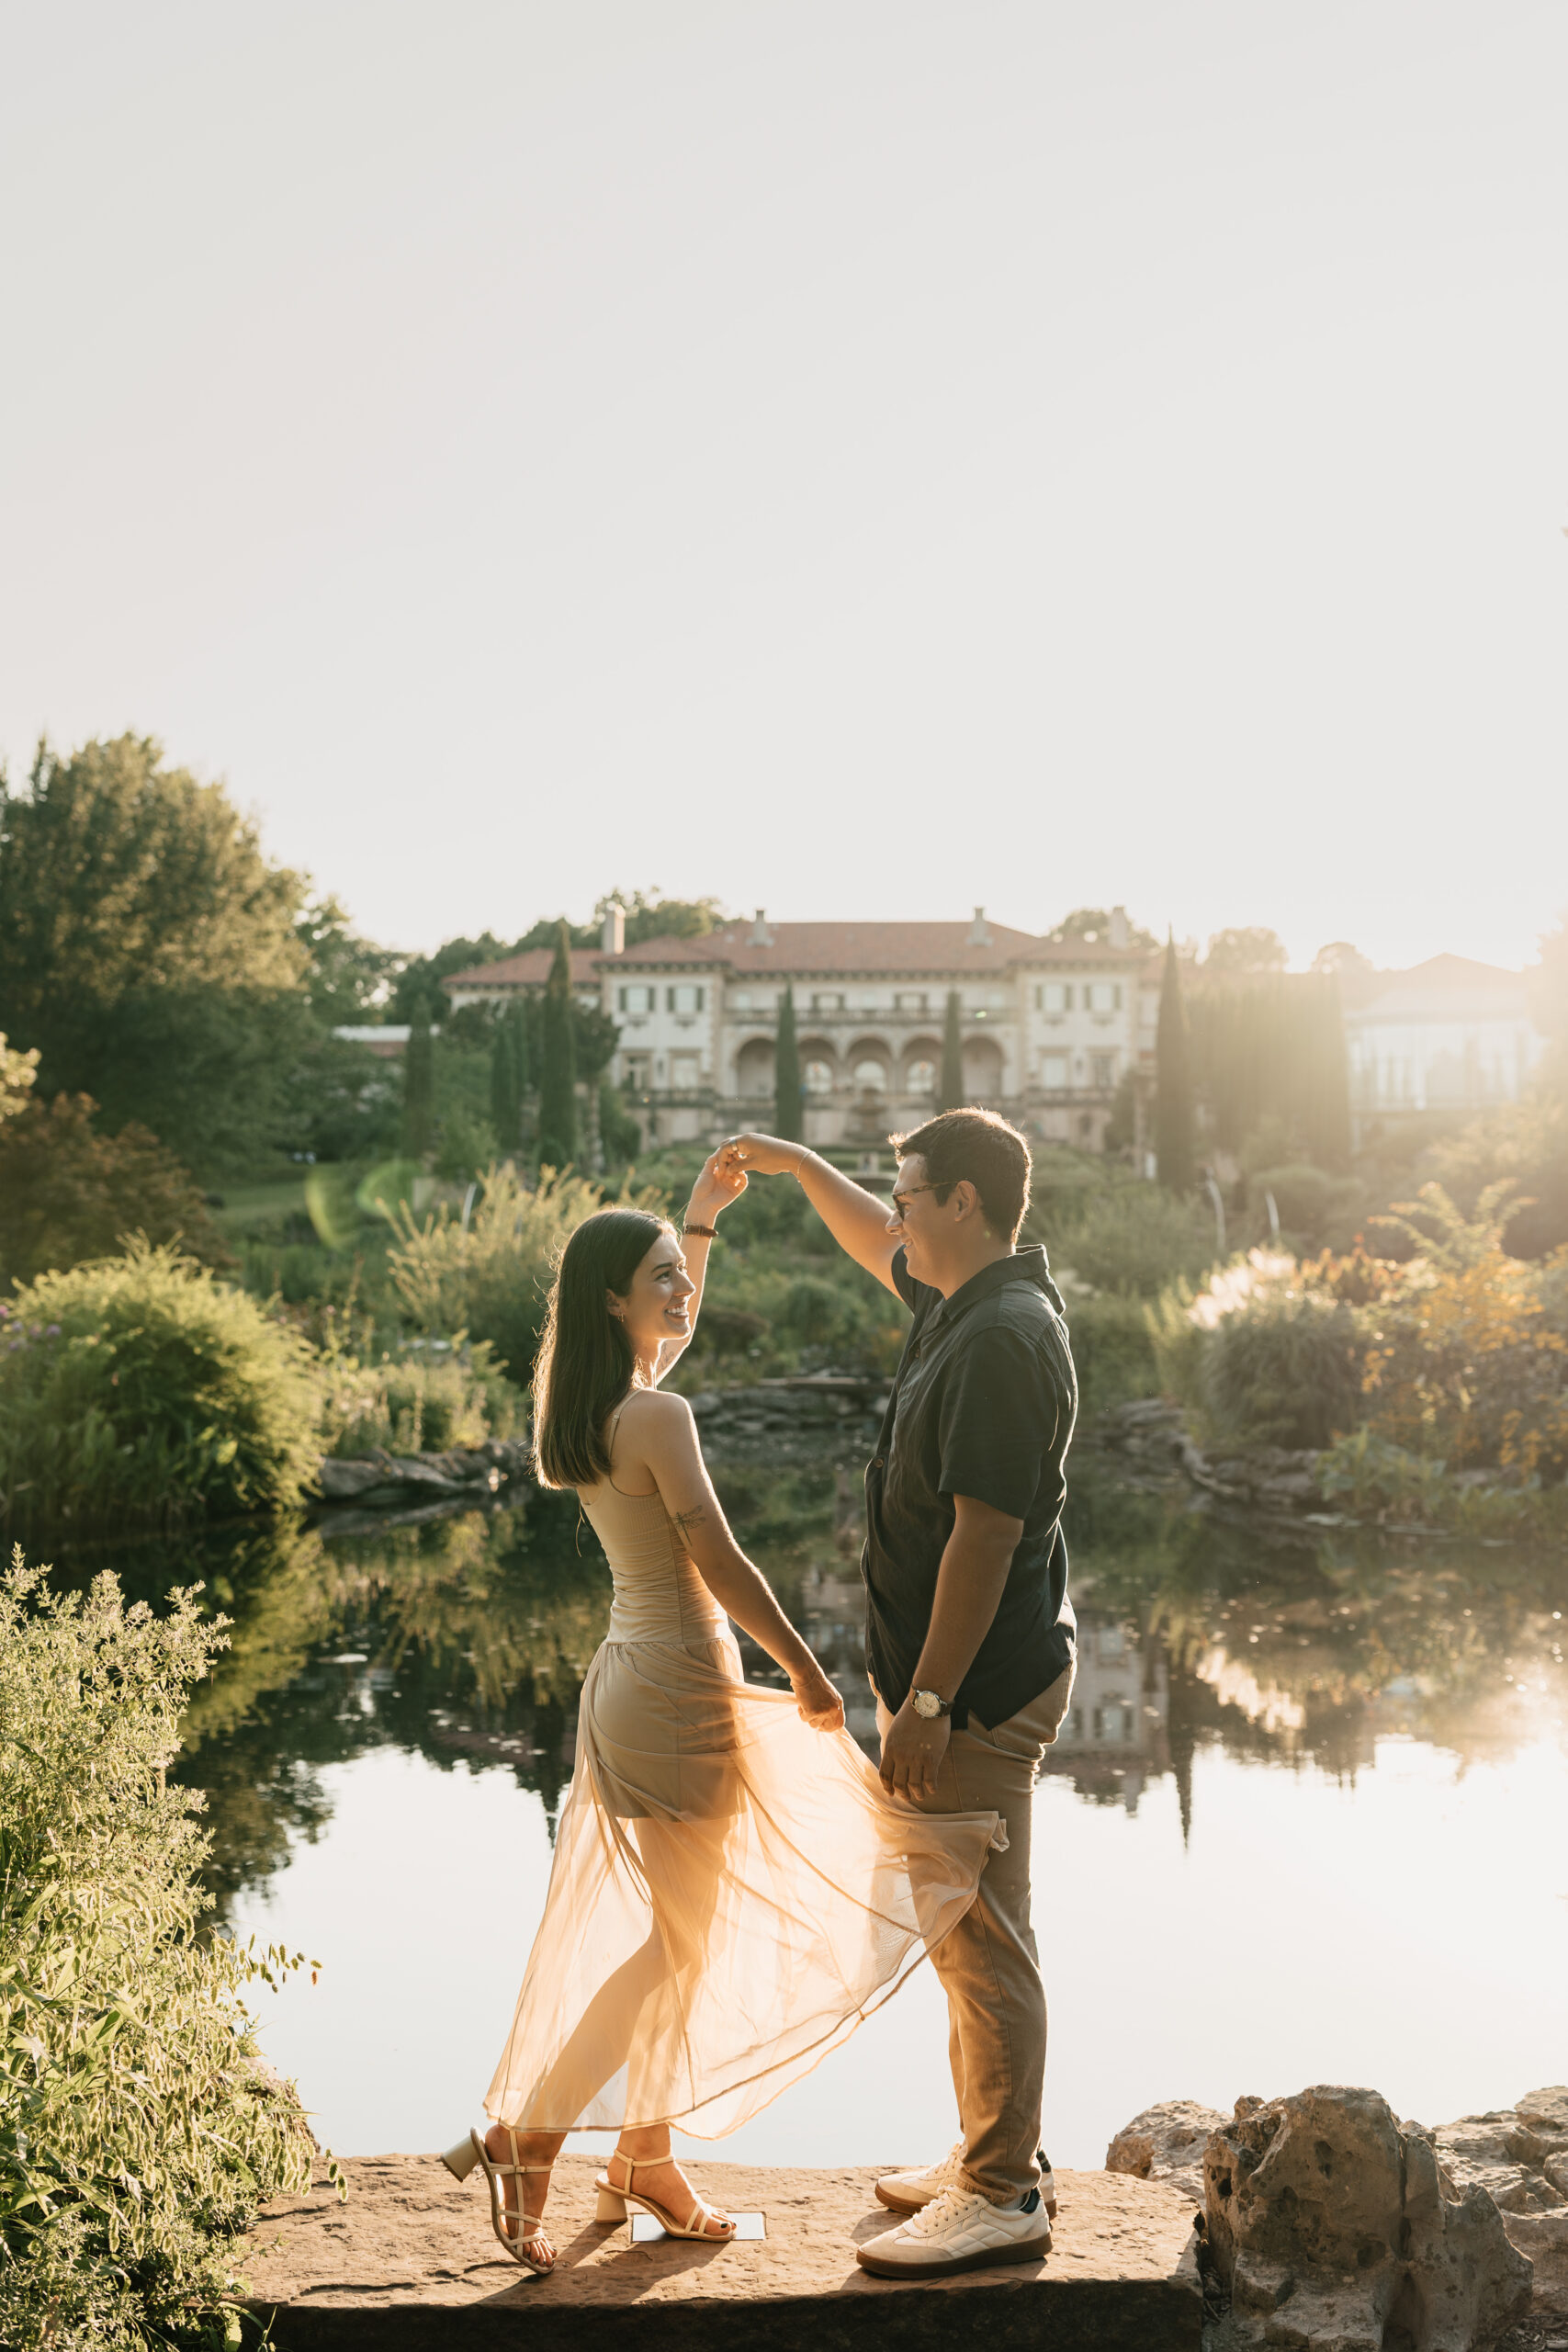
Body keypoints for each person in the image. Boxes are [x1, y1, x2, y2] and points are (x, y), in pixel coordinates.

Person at [443, 1147, 1003, 2276]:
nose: (681, 1291)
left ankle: (641, 2158)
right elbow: (722, 1555)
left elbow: (677, 1337)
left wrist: (698, 1219)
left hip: (640, 1680)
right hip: (677, 1689)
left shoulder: (601, 1403)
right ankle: (528, 2131)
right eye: (658, 1276)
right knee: (677, 1948)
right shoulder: (660, 1419)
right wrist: (803, 1665)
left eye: (678, 1271)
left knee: (684, 1946)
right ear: (612, 1298)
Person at [721, 1109, 1077, 2280]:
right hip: (963, 1679)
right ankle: (991, 2153)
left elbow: (985, 1535)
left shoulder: (1000, 1338)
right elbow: (870, 1231)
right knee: (969, 1919)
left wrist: (925, 1705)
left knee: (980, 1933)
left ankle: (1001, 2191)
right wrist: (793, 1165)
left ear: (965, 1202)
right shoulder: (958, 1297)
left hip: (973, 1690)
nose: (899, 1210)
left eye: (913, 1192)